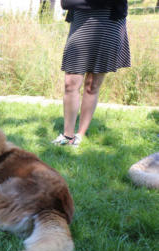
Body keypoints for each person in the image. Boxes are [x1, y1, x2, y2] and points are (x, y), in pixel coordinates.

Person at [52, 0, 130, 146]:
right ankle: (67, 136)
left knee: (92, 85)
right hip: (81, 19)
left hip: (108, 19)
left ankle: (79, 135)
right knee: (70, 83)